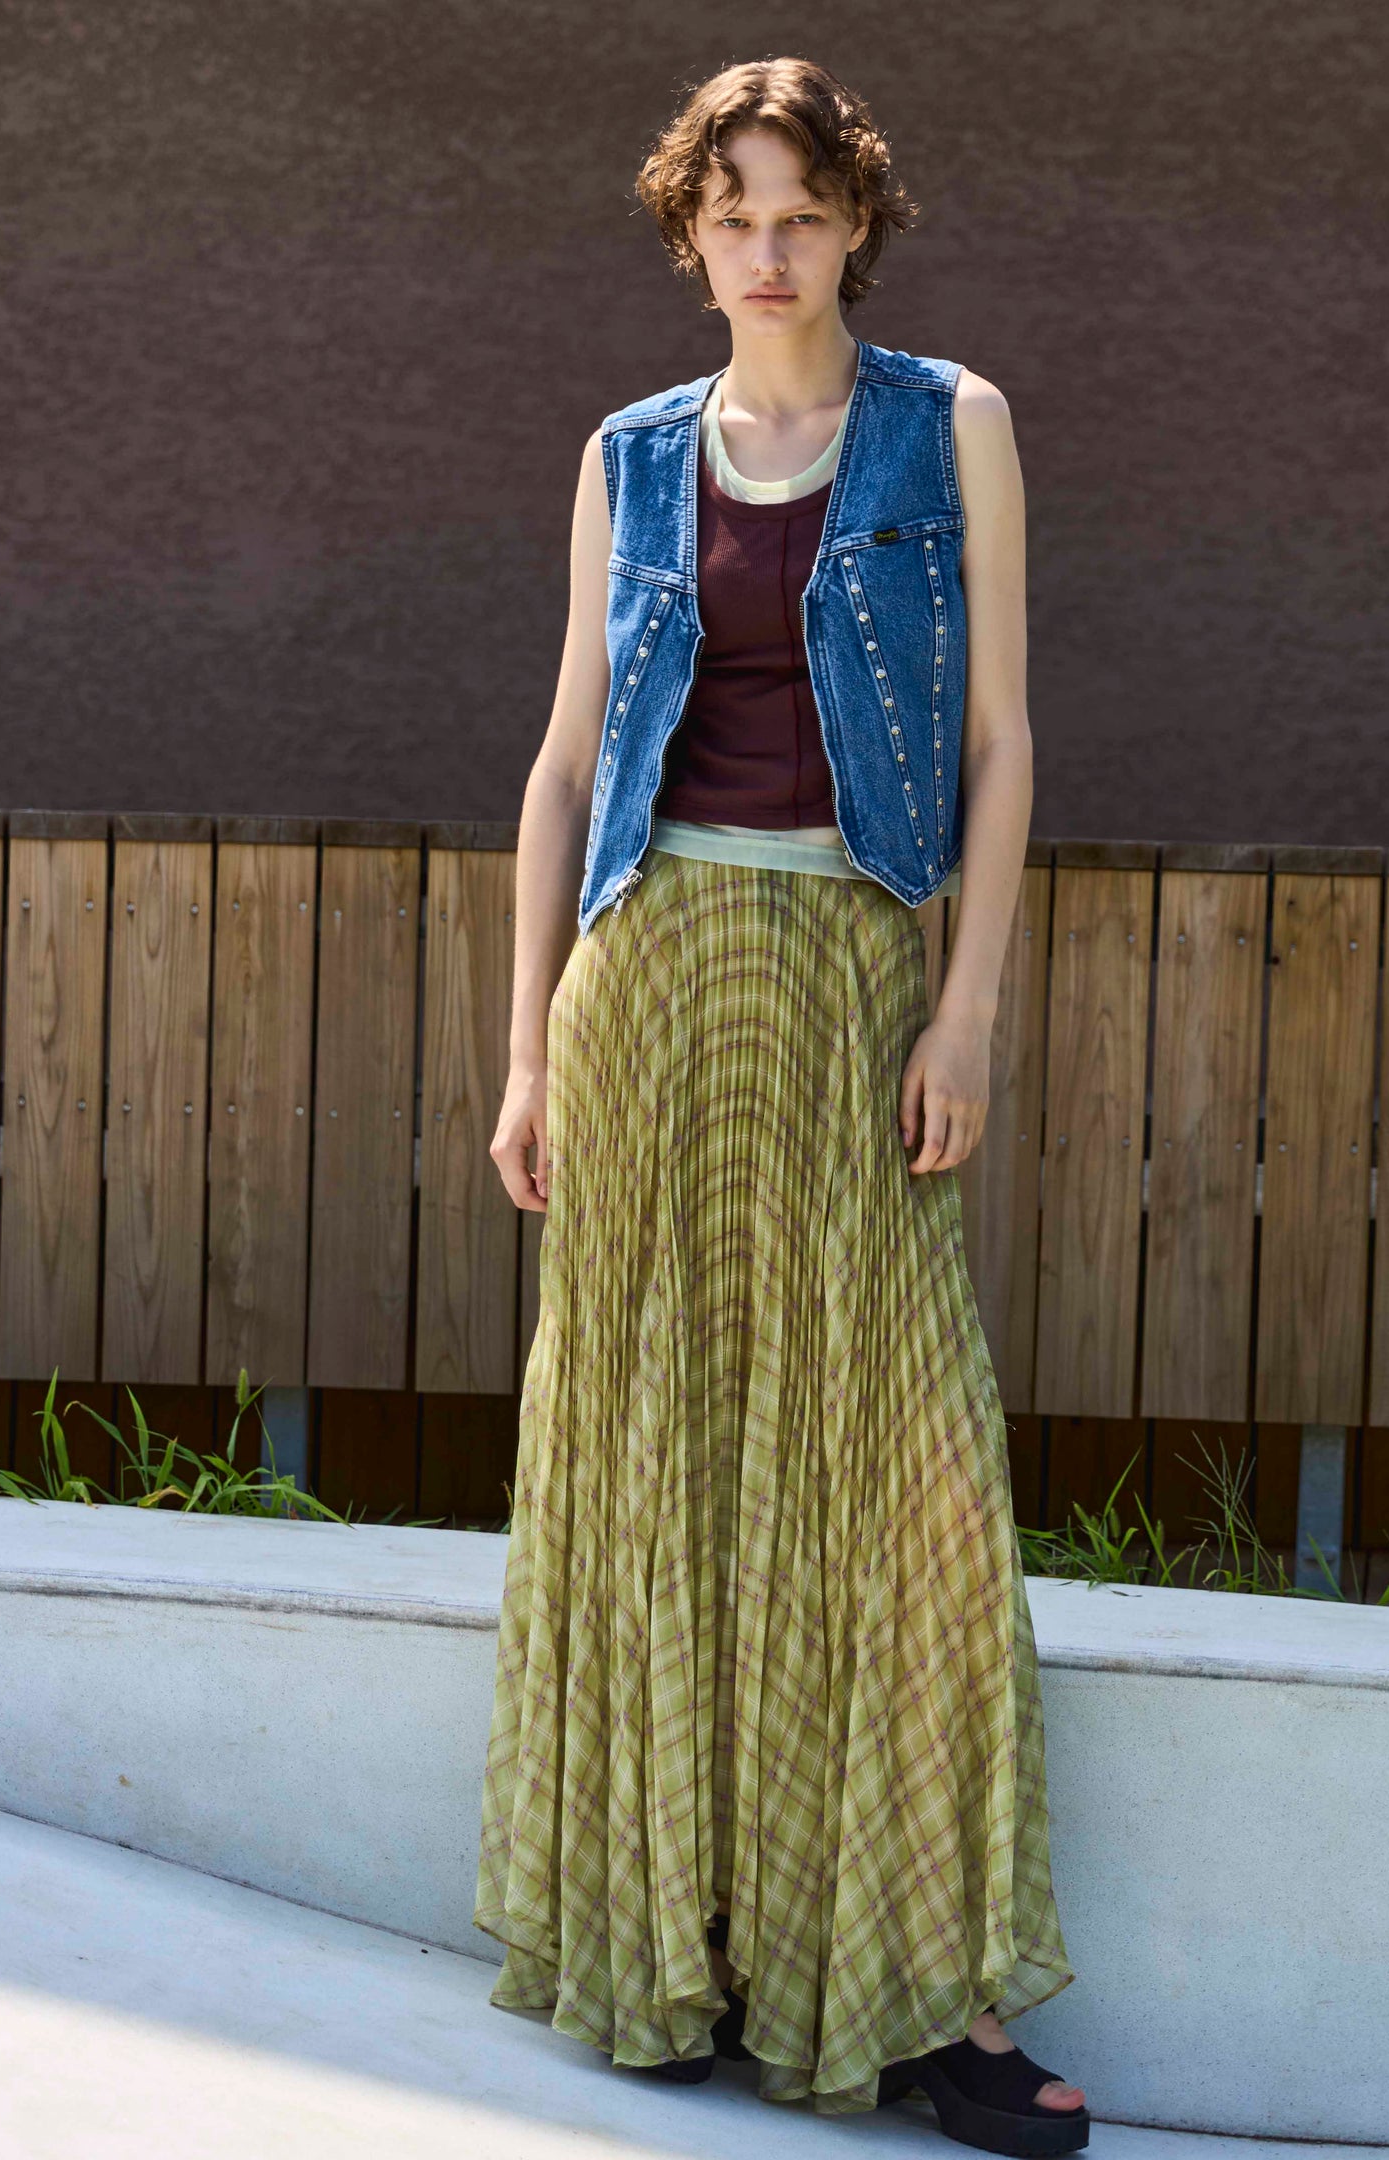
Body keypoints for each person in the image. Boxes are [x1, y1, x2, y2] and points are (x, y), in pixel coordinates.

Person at [472, 56, 1088, 2155]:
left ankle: (920, 1995)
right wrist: (529, 1050)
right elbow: (568, 763)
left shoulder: (950, 425)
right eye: (731, 213)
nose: (767, 248)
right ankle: (691, 1948)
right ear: (690, 233)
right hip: (646, 988)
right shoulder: (631, 456)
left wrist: (966, 1012)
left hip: (849, 979)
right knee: (663, 1462)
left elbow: (1001, 743)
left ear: (856, 224)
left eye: (801, 210)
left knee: (901, 1484)